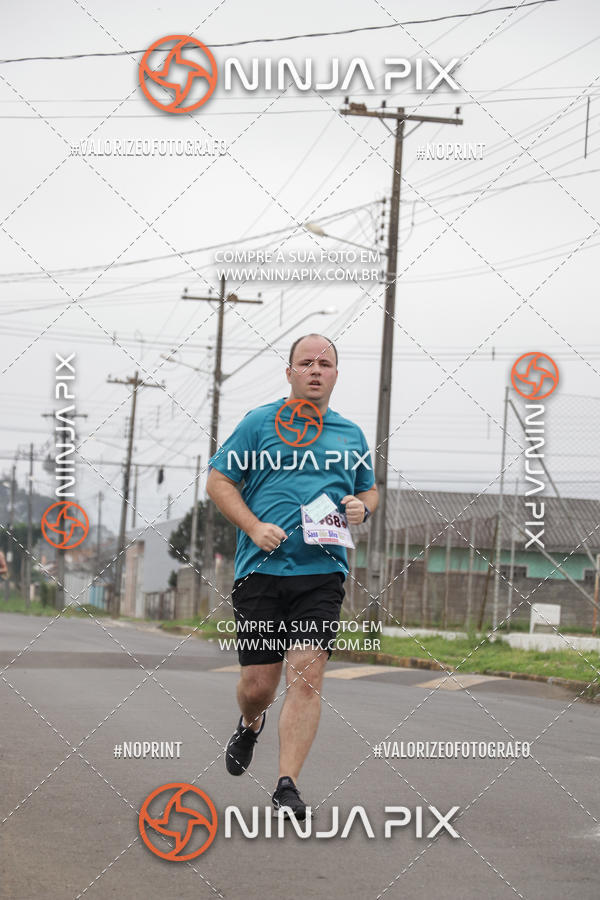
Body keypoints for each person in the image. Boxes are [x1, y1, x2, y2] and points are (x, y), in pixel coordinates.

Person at [207, 333, 377, 818]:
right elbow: (218, 481)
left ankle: (287, 786)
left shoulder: (350, 435)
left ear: (336, 375)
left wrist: (360, 508)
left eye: (325, 363)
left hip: (322, 573)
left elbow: (369, 491)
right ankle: (249, 722)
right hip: (259, 573)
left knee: (307, 675)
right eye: (306, 362)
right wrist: (254, 526)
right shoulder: (259, 424)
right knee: (259, 683)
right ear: (290, 373)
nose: (316, 370)